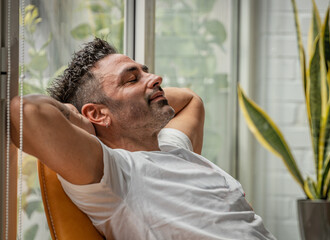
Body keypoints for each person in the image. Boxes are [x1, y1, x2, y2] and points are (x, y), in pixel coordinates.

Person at [11, 38, 275, 240]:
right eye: (131, 78)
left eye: (145, 71)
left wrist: (140, 93)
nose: (156, 78)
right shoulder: (114, 174)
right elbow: (26, 113)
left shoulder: (172, 146)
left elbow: (190, 99)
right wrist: (82, 118)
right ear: (97, 113)